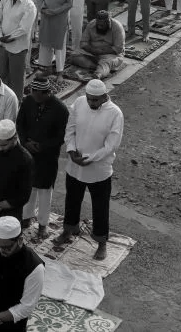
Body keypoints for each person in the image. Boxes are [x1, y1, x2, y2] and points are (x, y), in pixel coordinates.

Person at [53, 79, 124, 260]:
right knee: (72, 200)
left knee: (100, 207)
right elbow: (70, 129)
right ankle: (69, 229)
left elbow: (111, 145)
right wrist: (71, 150)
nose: (91, 103)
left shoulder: (115, 114)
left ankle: (101, 242)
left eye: (95, 100)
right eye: (89, 99)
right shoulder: (79, 103)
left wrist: (90, 159)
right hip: (75, 165)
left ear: (104, 97)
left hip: (99, 169)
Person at [16, 78, 68, 238]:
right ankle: (26, 217)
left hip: (48, 157)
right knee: (28, 186)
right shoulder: (28, 102)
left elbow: (61, 136)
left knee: (45, 191)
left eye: (36, 95)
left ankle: (42, 224)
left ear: (45, 93)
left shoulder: (60, 109)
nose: (33, 97)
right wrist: (25, 142)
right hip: (28, 152)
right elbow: (20, 124)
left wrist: (43, 146)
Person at [35, 0, 73, 76]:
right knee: (45, 43)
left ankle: (59, 72)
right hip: (46, 17)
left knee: (59, 46)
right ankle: (45, 68)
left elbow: (69, 4)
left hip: (60, 19)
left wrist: (55, 11)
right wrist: (42, 8)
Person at [70, 11, 125, 79]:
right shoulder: (91, 24)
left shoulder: (117, 27)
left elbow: (118, 48)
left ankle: (98, 74)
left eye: (102, 25)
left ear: (108, 22)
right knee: (74, 55)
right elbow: (83, 43)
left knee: (107, 61)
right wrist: (92, 50)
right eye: (98, 25)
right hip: (92, 53)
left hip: (110, 55)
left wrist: (101, 51)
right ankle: (99, 67)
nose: (100, 27)